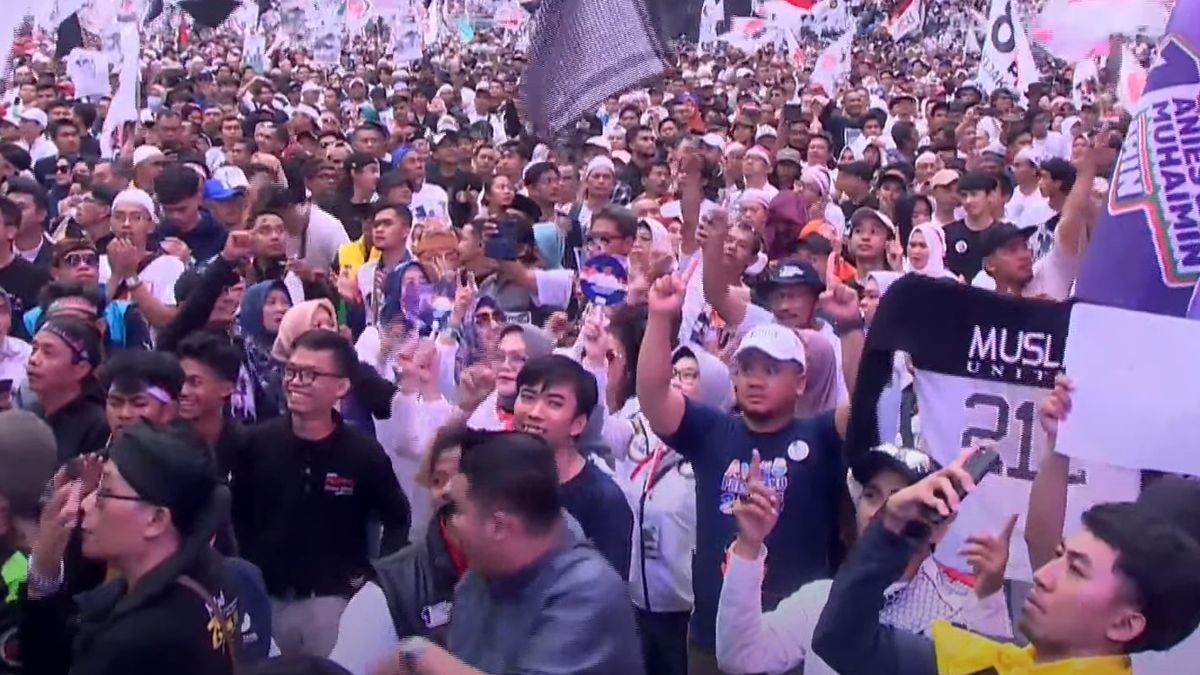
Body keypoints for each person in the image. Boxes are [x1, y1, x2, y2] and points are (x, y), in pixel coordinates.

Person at [638, 271, 862, 673]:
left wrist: (849, 328)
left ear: (800, 382)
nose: (756, 380)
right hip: (711, 636)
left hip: (792, 641)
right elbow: (654, 398)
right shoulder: (712, 432)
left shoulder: (820, 437)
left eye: (772, 370)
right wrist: (659, 318)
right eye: (747, 369)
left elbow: (865, 407)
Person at [810, 448, 1200, 675]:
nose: (1044, 575)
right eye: (1060, 557)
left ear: (1125, 622)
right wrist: (894, 525)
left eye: (1076, 570)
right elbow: (841, 640)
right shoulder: (989, 664)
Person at [716, 444, 1014, 675]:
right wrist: (750, 544)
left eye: (901, 497)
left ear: (938, 526)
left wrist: (989, 599)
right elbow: (739, 656)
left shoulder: (958, 611)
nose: (882, 509)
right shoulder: (820, 598)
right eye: (872, 495)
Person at [372, 431, 645, 675]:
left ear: (499, 526)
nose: (452, 521)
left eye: (460, 511)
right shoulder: (476, 580)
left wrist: (422, 656)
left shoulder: (588, 591)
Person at [232, 329, 411, 657]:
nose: (296, 381)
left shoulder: (363, 453)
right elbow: (237, 516)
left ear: (341, 386)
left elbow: (398, 518)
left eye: (310, 375)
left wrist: (374, 578)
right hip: (263, 602)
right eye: (291, 371)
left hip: (331, 603)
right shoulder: (254, 444)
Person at [21, 424, 243, 675]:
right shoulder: (208, 569)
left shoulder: (132, 641)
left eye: (104, 493)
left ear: (156, 520)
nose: (85, 502)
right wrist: (45, 564)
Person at [328, 427, 470, 674]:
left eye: (459, 477)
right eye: (438, 480)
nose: (448, 491)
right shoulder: (386, 592)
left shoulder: (533, 570)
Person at [513, 354, 633, 580]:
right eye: (527, 397)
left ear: (578, 423)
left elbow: (603, 598)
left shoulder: (604, 501)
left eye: (554, 403)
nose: (534, 412)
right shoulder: (498, 477)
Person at [26, 317, 109, 461]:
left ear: (80, 369)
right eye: (34, 349)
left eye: (48, 353)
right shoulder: (30, 413)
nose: (33, 359)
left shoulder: (98, 426)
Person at [100, 350, 184, 441]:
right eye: (115, 403)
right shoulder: (97, 455)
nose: (124, 414)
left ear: (169, 410)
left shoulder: (188, 454)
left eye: (139, 404)